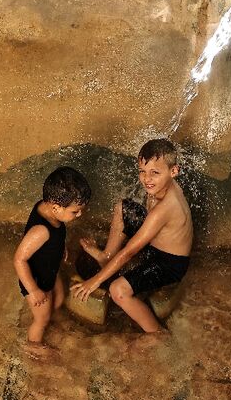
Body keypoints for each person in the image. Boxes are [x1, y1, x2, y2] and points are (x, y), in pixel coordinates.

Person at [71, 139, 192, 333]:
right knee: (122, 208)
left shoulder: (167, 207)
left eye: (155, 173)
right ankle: (105, 256)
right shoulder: (163, 185)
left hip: (169, 263)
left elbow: (128, 252)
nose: (147, 179)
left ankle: (156, 332)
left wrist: (95, 281)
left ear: (174, 171)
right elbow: (148, 220)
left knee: (118, 291)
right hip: (157, 242)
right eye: (142, 171)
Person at [14, 166, 91, 351]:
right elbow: (19, 259)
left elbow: (56, 234)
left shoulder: (48, 207)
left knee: (59, 299)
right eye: (75, 212)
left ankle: (52, 320)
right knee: (42, 319)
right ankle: (33, 347)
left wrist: (59, 247)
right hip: (37, 280)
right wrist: (33, 290)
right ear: (55, 207)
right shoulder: (41, 231)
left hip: (49, 268)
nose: (80, 214)